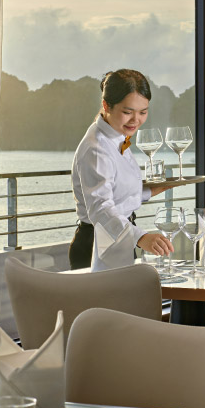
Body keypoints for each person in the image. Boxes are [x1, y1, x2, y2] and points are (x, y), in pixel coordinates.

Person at [69, 69, 173, 270]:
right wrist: (140, 236)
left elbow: (116, 192)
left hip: (120, 238)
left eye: (143, 112)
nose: (136, 120)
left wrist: (148, 191)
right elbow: (100, 208)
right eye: (128, 112)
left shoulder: (117, 135)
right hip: (96, 245)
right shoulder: (96, 148)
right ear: (106, 105)